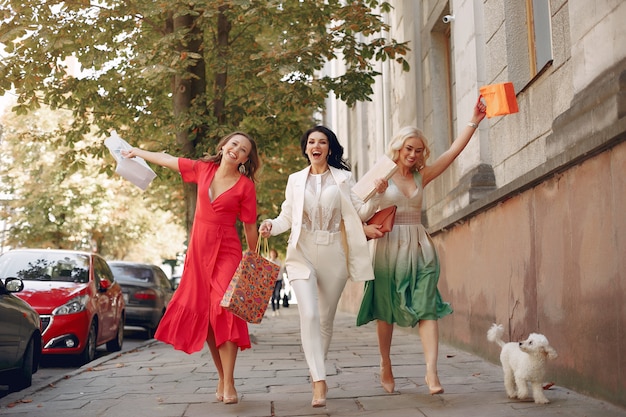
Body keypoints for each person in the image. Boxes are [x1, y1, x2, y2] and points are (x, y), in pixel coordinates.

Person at [357, 97, 487, 395]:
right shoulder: (380, 176)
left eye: (418, 150)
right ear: (398, 150)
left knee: (427, 305)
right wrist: (376, 196)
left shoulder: (421, 175)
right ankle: (385, 364)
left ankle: (431, 372)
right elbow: (359, 216)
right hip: (388, 249)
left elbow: (452, 153)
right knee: (386, 310)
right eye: (408, 149)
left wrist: (474, 121)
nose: (413, 154)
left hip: (419, 245)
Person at [121, 131, 260, 405]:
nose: (237, 150)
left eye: (243, 149)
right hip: (198, 251)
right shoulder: (203, 168)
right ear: (223, 146)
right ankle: (222, 376)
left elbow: (249, 225)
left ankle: (229, 382)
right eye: (234, 144)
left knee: (225, 309)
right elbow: (168, 159)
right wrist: (138, 151)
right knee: (206, 315)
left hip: (227, 251)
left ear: (246, 158)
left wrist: (252, 259)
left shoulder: (245, 186)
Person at [259, 126, 384, 408]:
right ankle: (319, 380)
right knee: (310, 315)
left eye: (323, 142)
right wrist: (269, 225)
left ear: (329, 149)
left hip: (334, 252)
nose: (317, 146)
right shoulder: (294, 180)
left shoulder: (343, 178)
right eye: (312, 142)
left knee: (325, 321)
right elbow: (286, 217)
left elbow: (358, 212)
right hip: (301, 252)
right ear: (306, 148)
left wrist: (376, 195)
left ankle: (317, 368)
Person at [268, 248, 284, 316]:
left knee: (277, 295)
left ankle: (277, 309)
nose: (273, 254)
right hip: (271, 281)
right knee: (273, 296)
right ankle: (273, 310)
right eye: (271, 253)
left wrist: (283, 281)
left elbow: (281, 272)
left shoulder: (279, 262)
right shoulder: (268, 261)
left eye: (274, 253)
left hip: (279, 280)